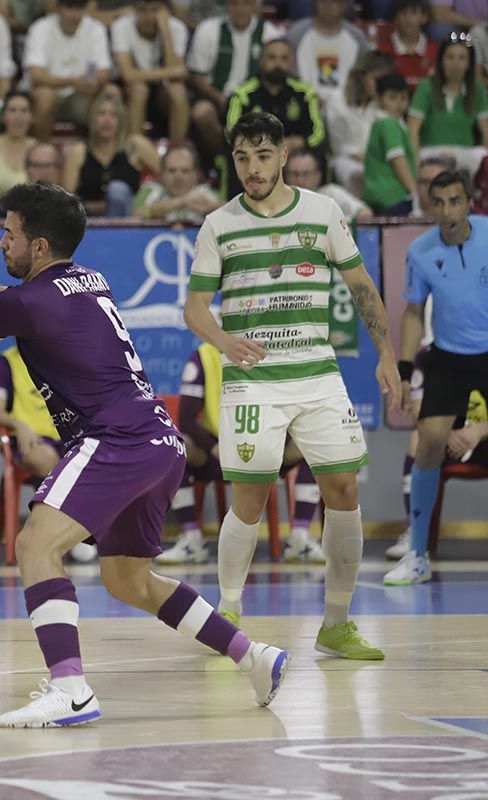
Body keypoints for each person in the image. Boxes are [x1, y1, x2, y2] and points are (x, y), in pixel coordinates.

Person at [0, 181, 289, 726]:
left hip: (116, 439)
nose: (1, 244)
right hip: (159, 442)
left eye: (9, 235)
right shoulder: (83, 280)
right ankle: (254, 657)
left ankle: (71, 689)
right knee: (128, 581)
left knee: (35, 545)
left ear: (38, 246)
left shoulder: (35, 299)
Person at [183, 111, 400, 660]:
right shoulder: (219, 224)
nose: (251, 169)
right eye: (241, 158)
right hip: (253, 381)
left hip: (317, 375)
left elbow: (362, 287)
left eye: (262, 156)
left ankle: (336, 621)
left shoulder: (324, 212)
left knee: (345, 489)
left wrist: (387, 356)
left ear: (283, 156)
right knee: (250, 497)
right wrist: (224, 342)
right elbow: (194, 308)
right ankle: (228, 610)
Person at [387, 171, 488, 585]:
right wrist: (406, 372)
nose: (447, 212)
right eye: (439, 203)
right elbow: (413, 313)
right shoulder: (421, 251)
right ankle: (417, 554)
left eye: (455, 201)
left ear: (469, 201)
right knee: (428, 444)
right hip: (448, 355)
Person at [158, 341, 325, 565]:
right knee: (178, 446)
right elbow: (187, 420)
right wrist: (215, 447)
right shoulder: (203, 357)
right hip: (219, 454)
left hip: (267, 450)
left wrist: (275, 443)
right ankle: (192, 540)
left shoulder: (273, 353)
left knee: (311, 442)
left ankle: (300, 539)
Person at [0, 341, 98, 563]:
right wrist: (19, 426)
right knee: (46, 458)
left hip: (65, 438)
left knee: (98, 455)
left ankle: (85, 532)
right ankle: (70, 537)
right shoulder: (4, 363)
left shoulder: (62, 361)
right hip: (28, 442)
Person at [386, 343, 488, 560]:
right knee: (418, 438)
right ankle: (415, 535)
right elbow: (418, 410)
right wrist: (445, 434)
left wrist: (478, 431)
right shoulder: (428, 356)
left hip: (484, 437)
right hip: (449, 440)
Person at [186, 0, 283, 168]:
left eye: (245, 4)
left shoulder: (269, 33)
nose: (239, 9)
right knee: (201, 113)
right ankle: (223, 160)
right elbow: (196, 76)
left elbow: (275, 73)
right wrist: (220, 98)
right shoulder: (209, 30)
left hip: (255, 100)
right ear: (226, 6)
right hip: (217, 98)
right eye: (234, 4)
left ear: (254, 6)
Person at [224, 39, 325, 196]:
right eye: (272, 57)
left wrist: (299, 142)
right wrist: (265, 147)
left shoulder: (305, 93)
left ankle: (313, 206)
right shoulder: (242, 94)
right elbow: (232, 132)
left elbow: (318, 134)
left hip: (294, 154)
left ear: (291, 63)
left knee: (314, 157)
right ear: (261, 60)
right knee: (238, 156)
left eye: (284, 58)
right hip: (255, 153)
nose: (278, 63)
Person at [22, 0, 114, 141]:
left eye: (80, 8)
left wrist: (91, 83)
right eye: (70, 8)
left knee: (111, 92)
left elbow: (104, 72)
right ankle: (41, 153)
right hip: (49, 94)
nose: (75, 14)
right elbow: (35, 74)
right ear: (59, 8)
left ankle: (101, 156)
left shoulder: (96, 28)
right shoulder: (40, 28)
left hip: (80, 96)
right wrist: (72, 81)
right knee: (46, 96)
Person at [64, 94, 159, 217]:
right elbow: (67, 200)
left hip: (130, 219)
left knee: (117, 190)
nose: (107, 121)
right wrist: (98, 207)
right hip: (90, 220)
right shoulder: (79, 152)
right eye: (101, 114)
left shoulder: (135, 146)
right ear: (93, 119)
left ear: (121, 121)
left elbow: (168, 174)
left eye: (113, 115)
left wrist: (146, 203)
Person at [407, 38, 488, 181]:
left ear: (469, 63)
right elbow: (412, 130)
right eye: (450, 57)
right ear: (441, 61)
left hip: (464, 154)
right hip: (432, 153)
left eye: (462, 58)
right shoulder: (426, 86)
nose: (455, 63)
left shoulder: (478, 90)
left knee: (482, 154)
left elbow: (486, 130)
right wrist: (415, 167)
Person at [110, 0, 190, 143]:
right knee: (139, 89)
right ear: (133, 10)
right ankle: (135, 151)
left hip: (161, 93)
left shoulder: (176, 27)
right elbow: (127, 75)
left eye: (154, 10)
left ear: (164, 11)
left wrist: (165, 31)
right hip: (129, 91)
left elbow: (177, 75)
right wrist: (170, 72)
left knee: (178, 91)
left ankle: (177, 152)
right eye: (142, 10)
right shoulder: (121, 26)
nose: (148, 17)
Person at [325, 50, 394, 197]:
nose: (381, 85)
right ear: (362, 76)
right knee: (362, 176)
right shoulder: (337, 100)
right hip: (346, 160)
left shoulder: (385, 104)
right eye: (376, 79)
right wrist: (362, 156)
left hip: (378, 161)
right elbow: (337, 146)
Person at [285, 0, 367, 107]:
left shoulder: (357, 38)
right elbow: (289, 75)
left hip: (347, 106)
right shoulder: (296, 34)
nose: (328, 7)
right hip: (304, 104)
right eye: (323, 1)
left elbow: (363, 76)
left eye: (334, 2)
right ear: (314, 4)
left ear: (344, 5)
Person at [363, 73, 418, 217]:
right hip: (394, 198)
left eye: (403, 98)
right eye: (392, 98)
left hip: (380, 196)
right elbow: (397, 161)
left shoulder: (384, 124)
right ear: (379, 99)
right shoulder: (389, 124)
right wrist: (415, 192)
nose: (399, 104)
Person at [133, 144, 222, 222]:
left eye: (185, 171)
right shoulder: (150, 191)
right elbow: (135, 215)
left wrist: (210, 207)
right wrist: (182, 201)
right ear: (162, 174)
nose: (178, 177)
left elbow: (229, 210)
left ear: (196, 175)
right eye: (172, 171)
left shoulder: (206, 193)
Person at [285, 148, 371, 223]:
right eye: (294, 174)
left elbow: (365, 214)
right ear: (285, 176)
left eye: (306, 173)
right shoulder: (278, 202)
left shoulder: (331, 194)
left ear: (318, 176)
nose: (300, 181)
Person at [377, 0, 437, 92]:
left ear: (424, 17)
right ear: (396, 18)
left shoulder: (434, 50)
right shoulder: (384, 50)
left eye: (413, 12)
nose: (408, 18)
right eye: (403, 13)